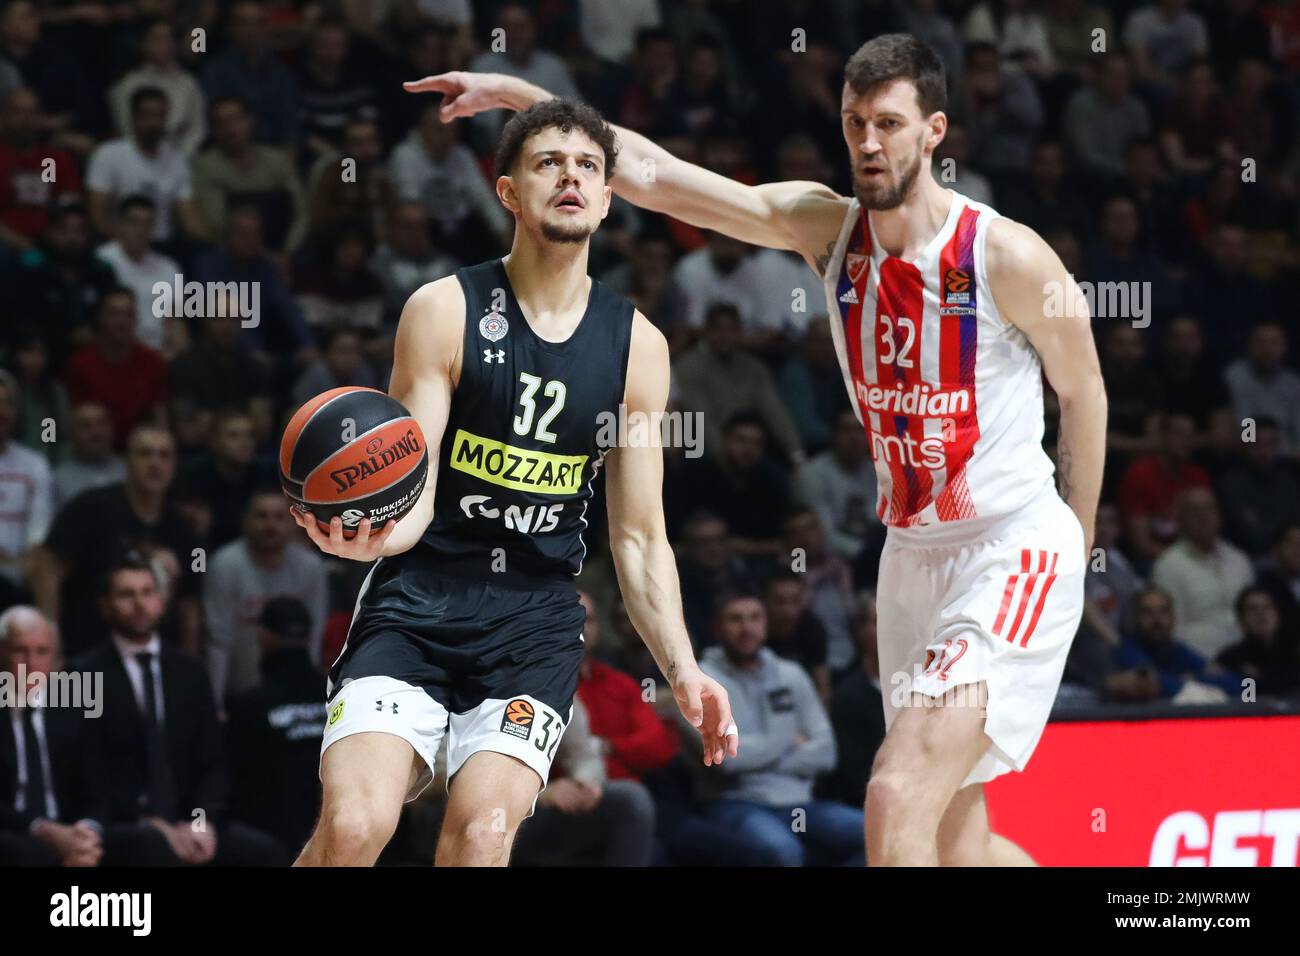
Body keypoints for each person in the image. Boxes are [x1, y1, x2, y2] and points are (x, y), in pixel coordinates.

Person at [418, 28, 1107, 867]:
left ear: (934, 132)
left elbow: (1084, 391)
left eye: (888, 123)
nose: (867, 141)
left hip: (1011, 545)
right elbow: (659, 178)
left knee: (893, 792)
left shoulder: (1004, 254)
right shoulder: (825, 228)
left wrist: (1075, 543)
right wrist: (523, 98)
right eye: (855, 122)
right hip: (911, 556)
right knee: (958, 836)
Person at [290, 99, 736, 868]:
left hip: (534, 623)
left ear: (606, 197)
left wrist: (683, 666)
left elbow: (637, 535)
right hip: (419, 598)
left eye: (589, 167)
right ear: (507, 192)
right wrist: (363, 538)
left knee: (482, 838)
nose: (571, 176)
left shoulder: (639, 348)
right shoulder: (442, 310)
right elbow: (413, 486)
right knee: (357, 826)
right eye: (548, 163)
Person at [79, 552, 286, 865]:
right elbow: (90, 771)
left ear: (161, 601)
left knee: (267, 853)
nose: (139, 603)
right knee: (151, 849)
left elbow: (213, 759)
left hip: (191, 818)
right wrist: (151, 823)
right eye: (126, 594)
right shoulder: (85, 674)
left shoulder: (189, 671)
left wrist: (201, 822)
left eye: (147, 593)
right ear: (105, 605)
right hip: (125, 821)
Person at [695, 590, 862, 867]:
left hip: (800, 802)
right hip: (737, 802)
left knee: (873, 830)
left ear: (766, 625)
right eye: (735, 619)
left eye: (754, 618)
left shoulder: (791, 674)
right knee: (781, 850)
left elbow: (827, 753)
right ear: (718, 628)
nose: (747, 628)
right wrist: (788, 739)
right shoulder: (702, 680)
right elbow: (727, 761)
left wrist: (758, 753)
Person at [0, 606, 106, 866]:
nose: (31, 662)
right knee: (29, 853)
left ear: (56, 660)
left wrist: (86, 832)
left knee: (138, 844)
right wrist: (42, 829)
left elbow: (98, 786)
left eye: (42, 651)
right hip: (13, 829)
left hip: (69, 827)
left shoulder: (74, 708)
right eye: (20, 651)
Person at [226, 596, 327, 854]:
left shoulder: (249, 705)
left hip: (269, 843)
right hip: (334, 833)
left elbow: (232, 783)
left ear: (263, 636)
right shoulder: (337, 696)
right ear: (308, 637)